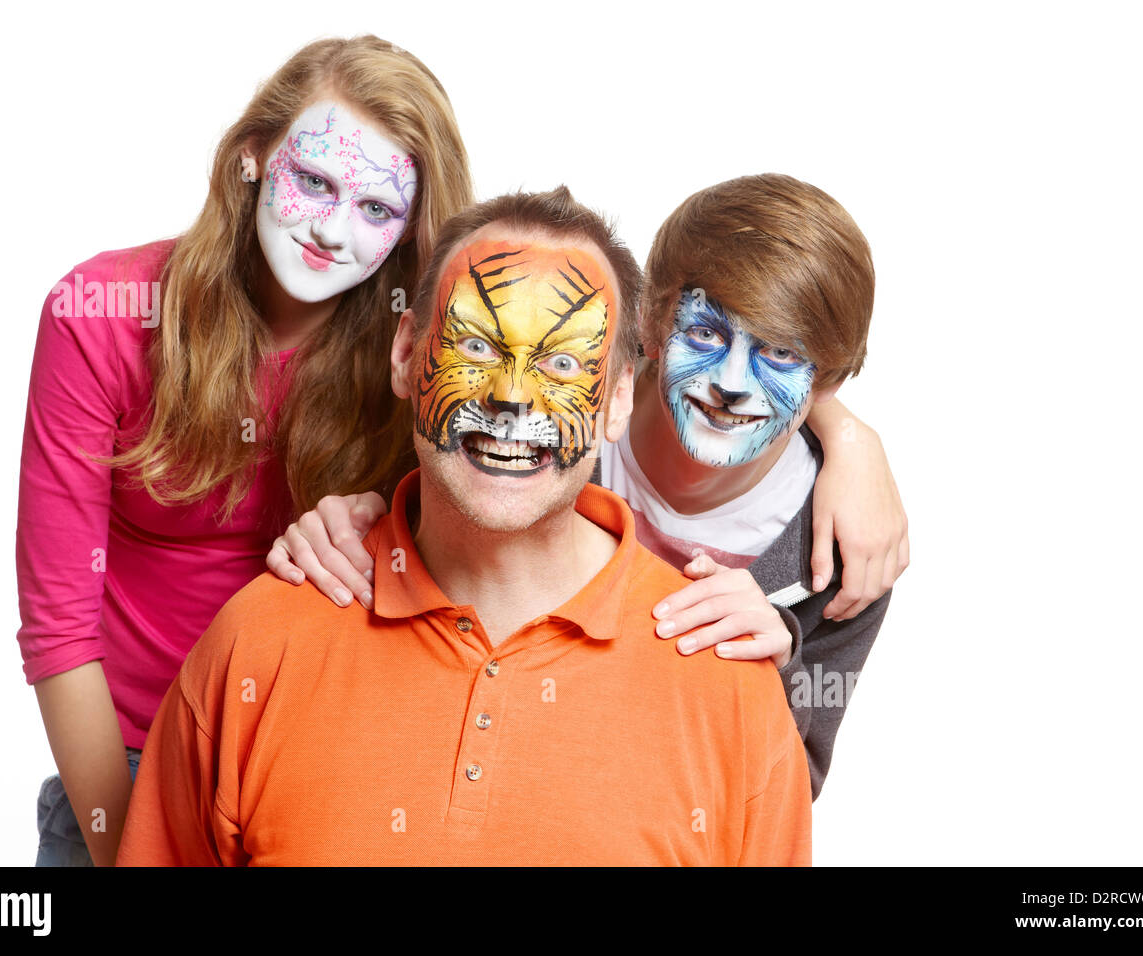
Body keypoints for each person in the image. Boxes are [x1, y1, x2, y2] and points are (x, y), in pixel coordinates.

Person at [116, 188, 812, 866]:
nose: (511, 397)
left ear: (619, 397)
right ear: (405, 356)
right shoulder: (257, 645)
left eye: (562, 364)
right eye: (476, 348)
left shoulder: (729, 689)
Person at [270, 173, 901, 796]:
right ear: (650, 328)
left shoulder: (852, 544)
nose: (733, 381)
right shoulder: (548, 417)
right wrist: (350, 521)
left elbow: (783, 795)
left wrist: (766, 673)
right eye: (705, 334)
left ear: (831, 382)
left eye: (783, 355)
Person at [18, 35, 473, 866]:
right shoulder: (100, 315)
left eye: (376, 209)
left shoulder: (419, 356)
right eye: (315, 181)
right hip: (122, 773)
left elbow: (577, 410)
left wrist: (801, 410)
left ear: (410, 230)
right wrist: (131, 846)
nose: (333, 231)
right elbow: (60, 631)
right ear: (255, 158)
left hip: (323, 775)